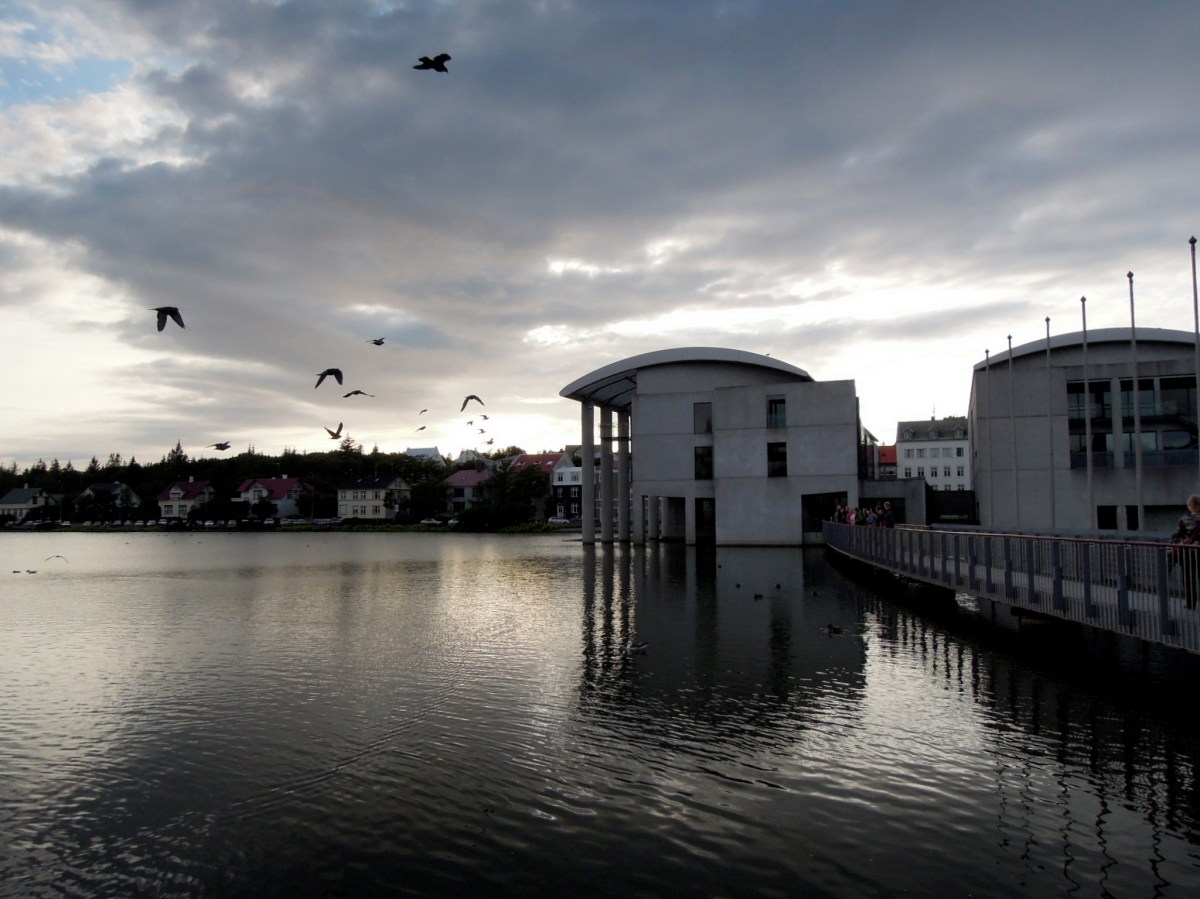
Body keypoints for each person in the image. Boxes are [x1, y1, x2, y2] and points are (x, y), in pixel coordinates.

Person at [1170, 494, 1200, 609]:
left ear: (1190, 506)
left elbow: (1175, 535)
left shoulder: (1184, 519)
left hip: (1188, 553)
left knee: (1188, 578)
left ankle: (1190, 603)